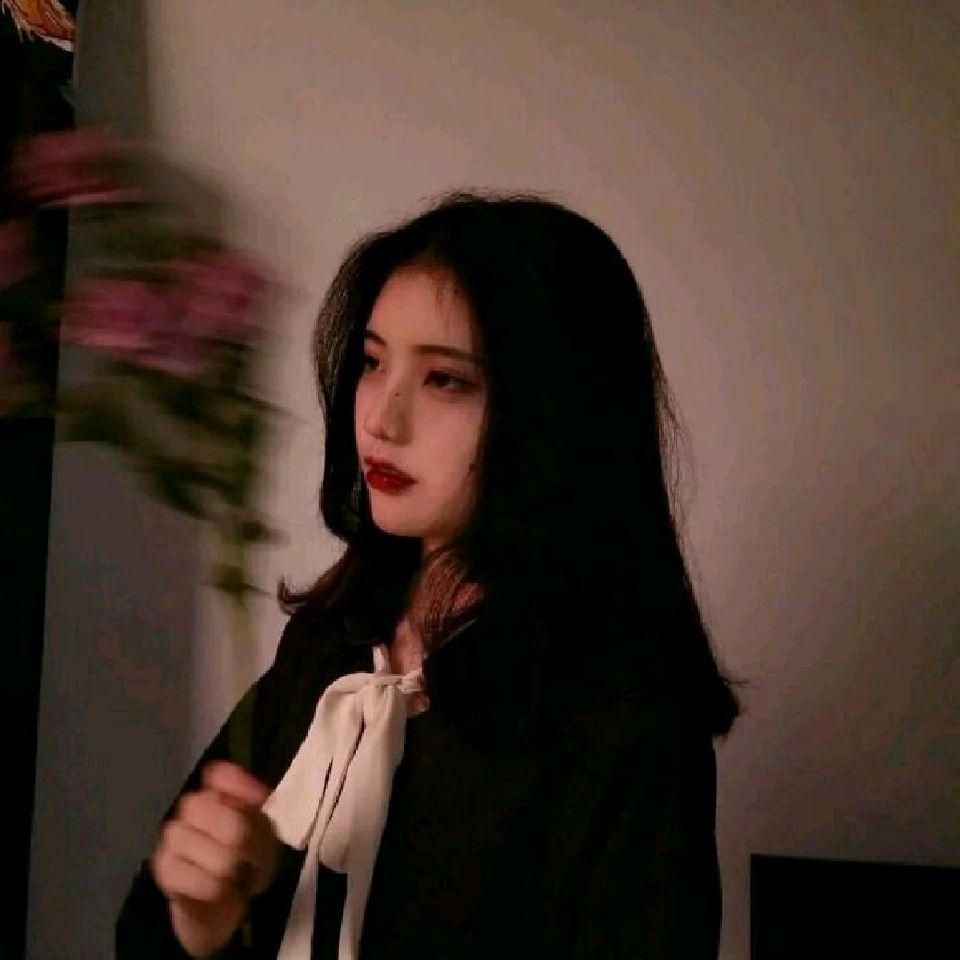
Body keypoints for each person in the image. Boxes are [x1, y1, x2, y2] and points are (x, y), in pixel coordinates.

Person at [116, 191, 739, 959]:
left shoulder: (626, 718)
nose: (381, 418)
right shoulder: (331, 644)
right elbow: (149, 931)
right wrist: (201, 920)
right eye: (373, 362)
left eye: (445, 379)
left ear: (555, 412)